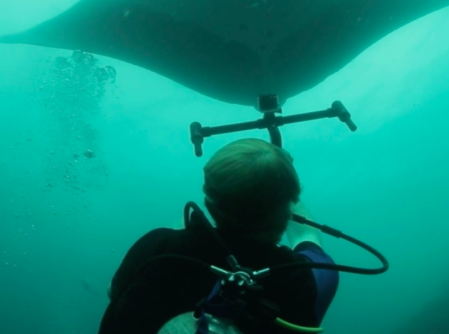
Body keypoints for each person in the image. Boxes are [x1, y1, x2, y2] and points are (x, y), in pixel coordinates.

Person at [99, 138, 339, 334]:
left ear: (207, 197)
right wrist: (277, 174)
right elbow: (307, 236)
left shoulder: (158, 246)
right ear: (290, 202)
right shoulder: (305, 277)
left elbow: (114, 291)